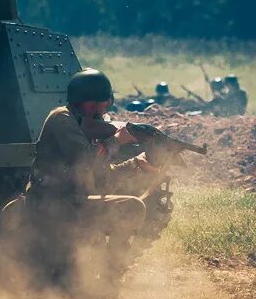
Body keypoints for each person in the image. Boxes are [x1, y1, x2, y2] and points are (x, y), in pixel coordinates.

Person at [20, 68, 155, 284]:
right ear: (91, 102)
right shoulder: (61, 118)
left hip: (73, 203)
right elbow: (84, 159)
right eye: (105, 102)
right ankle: (101, 285)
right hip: (51, 204)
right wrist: (116, 141)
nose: (107, 108)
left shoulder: (87, 125)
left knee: (131, 206)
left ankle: (108, 286)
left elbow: (102, 177)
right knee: (65, 285)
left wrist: (135, 164)